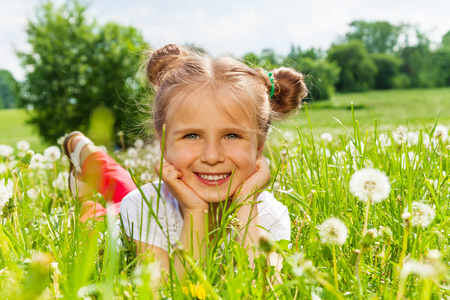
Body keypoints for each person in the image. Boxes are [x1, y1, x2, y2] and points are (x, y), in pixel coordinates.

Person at [63, 44, 308, 277]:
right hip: (126, 217)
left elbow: (266, 289)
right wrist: (194, 211)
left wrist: (245, 202)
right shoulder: (142, 208)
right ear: (163, 142)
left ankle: (93, 159)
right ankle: (90, 166)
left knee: (125, 190)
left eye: (232, 135)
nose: (212, 157)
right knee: (98, 217)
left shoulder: (269, 214)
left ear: (259, 146)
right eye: (192, 135)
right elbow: (174, 290)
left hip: (150, 198)